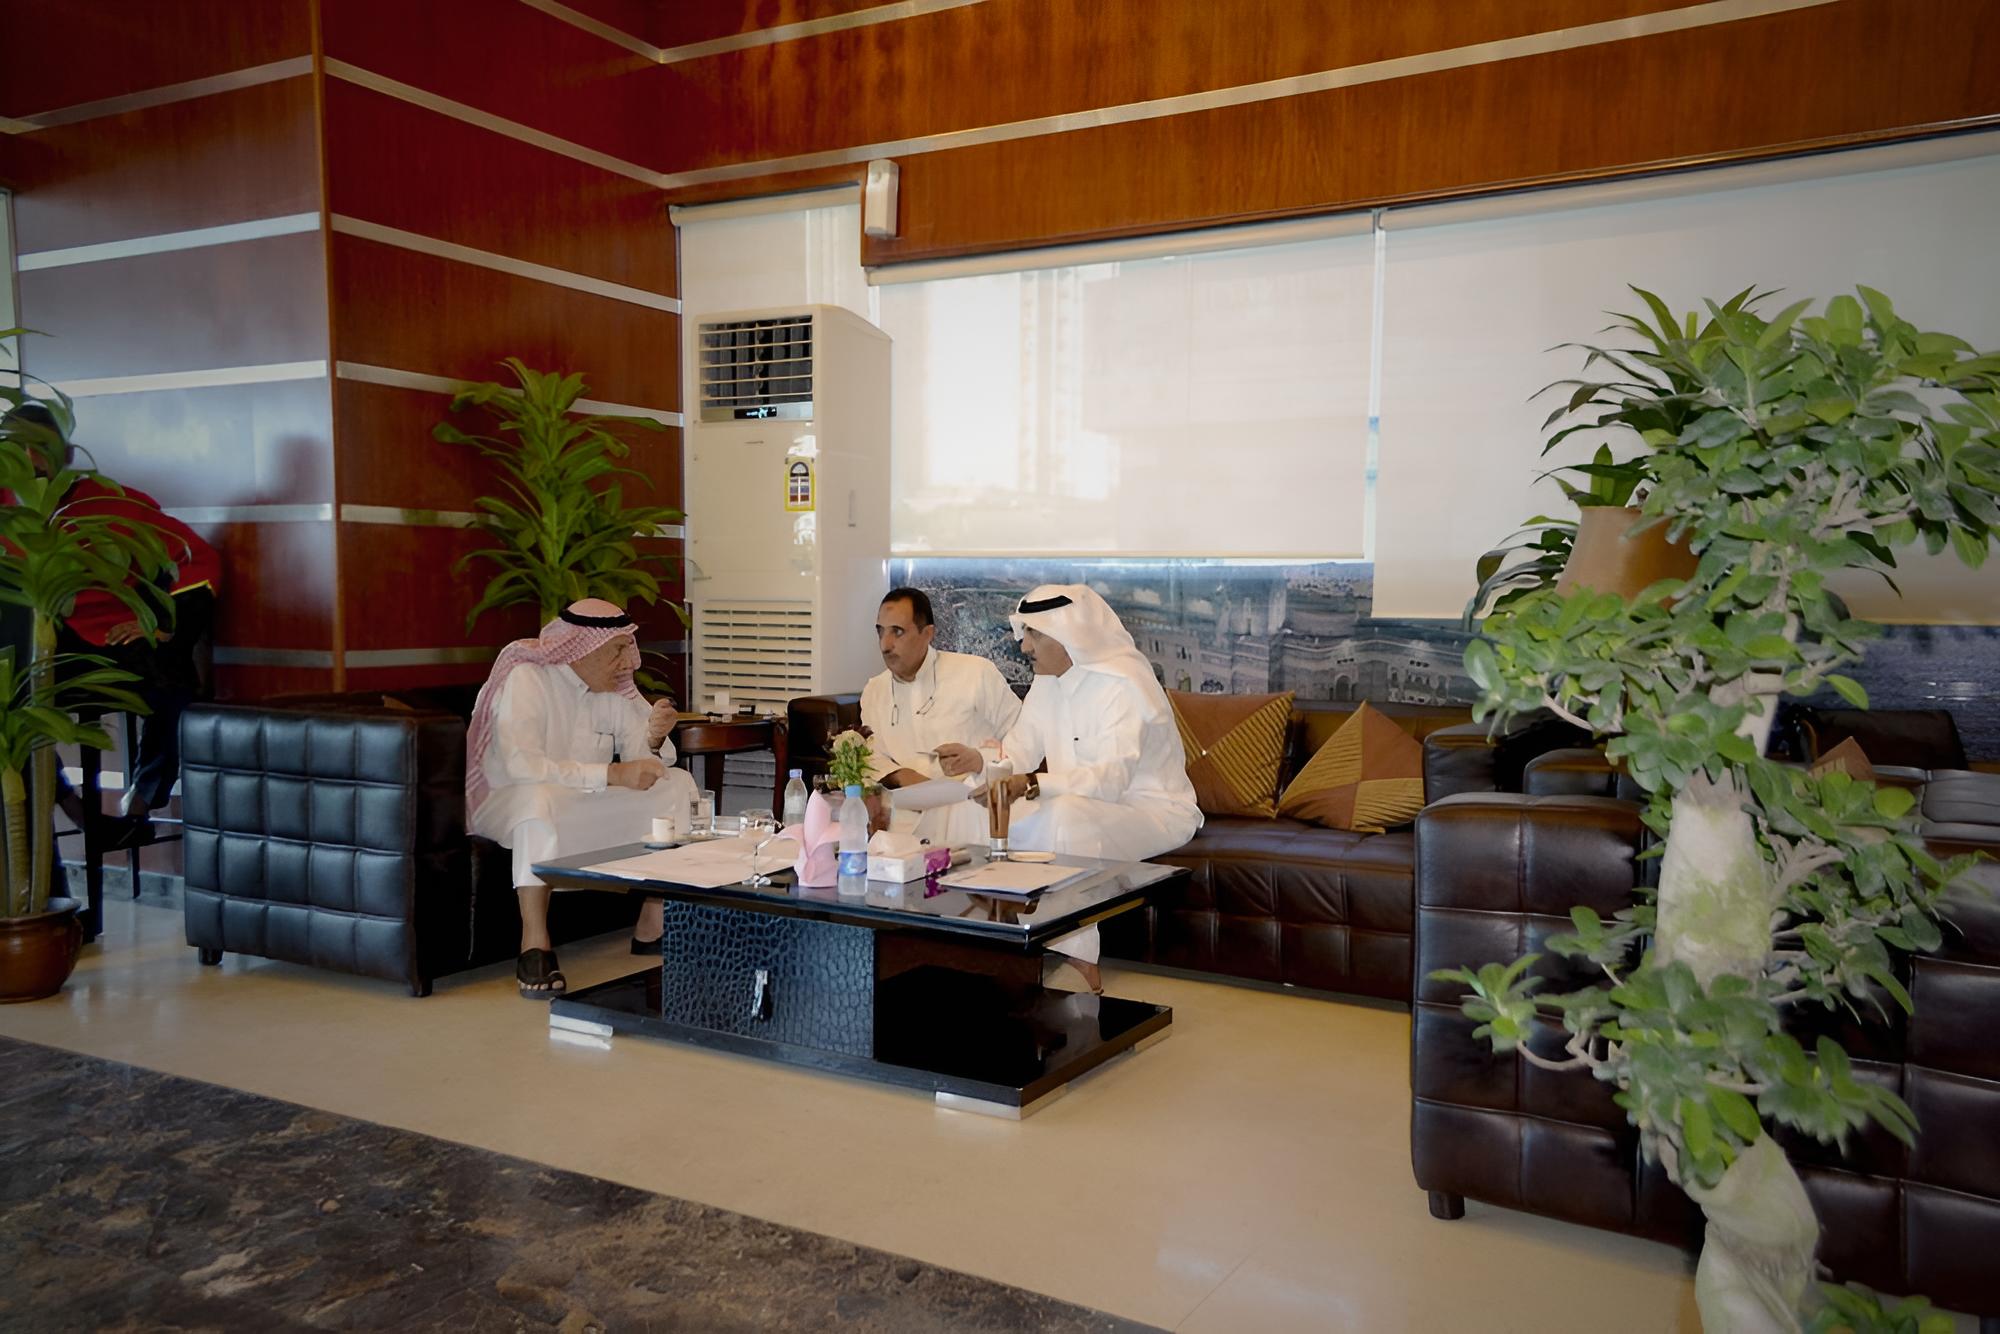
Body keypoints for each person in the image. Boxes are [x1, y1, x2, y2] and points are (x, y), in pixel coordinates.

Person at [935, 584, 1201, 993]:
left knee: (1065, 815)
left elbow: (1109, 781)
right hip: (1075, 802)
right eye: (1024, 632)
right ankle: (984, 942)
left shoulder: (1123, 684)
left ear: (1067, 635)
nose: (1023, 645)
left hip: (1152, 811)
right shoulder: (1047, 682)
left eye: (1033, 634)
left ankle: (1077, 959)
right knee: (971, 807)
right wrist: (978, 761)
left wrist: (1033, 784)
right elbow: (1019, 751)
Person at [4, 401, 221, 841]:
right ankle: (75, 811)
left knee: (173, 678)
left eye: (41, 446)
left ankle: (140, 803)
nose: (29, 459)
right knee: (10, 707)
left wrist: (160, 622)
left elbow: (197, 558)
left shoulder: (108, 501)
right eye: (17, 447)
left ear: (67, 453)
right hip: (27, 650)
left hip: (108, 638)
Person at [465, 598, 699, 999]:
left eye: (628, 648)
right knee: (538, 801)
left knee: (676, 784)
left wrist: (654, 738)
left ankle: (653, 922)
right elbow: (523, 767)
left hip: (579, 799)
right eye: (618, 650)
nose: (629, 662)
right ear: (583, 648)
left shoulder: (612, 688)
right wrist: (611, 774)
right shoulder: (528, 678)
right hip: (508, 800)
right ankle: (534, 943)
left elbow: (647, 763)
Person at [858, 587, 1021, 848]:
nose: (885, 645)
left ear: (927, 634)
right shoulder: (874, 690)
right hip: (903, 822)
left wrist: (979, 758)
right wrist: (901, 775)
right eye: (880, 632)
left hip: (971, 816)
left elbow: (1022, 739)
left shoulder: (975, 673)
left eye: (897, 632)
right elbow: (870, 756)